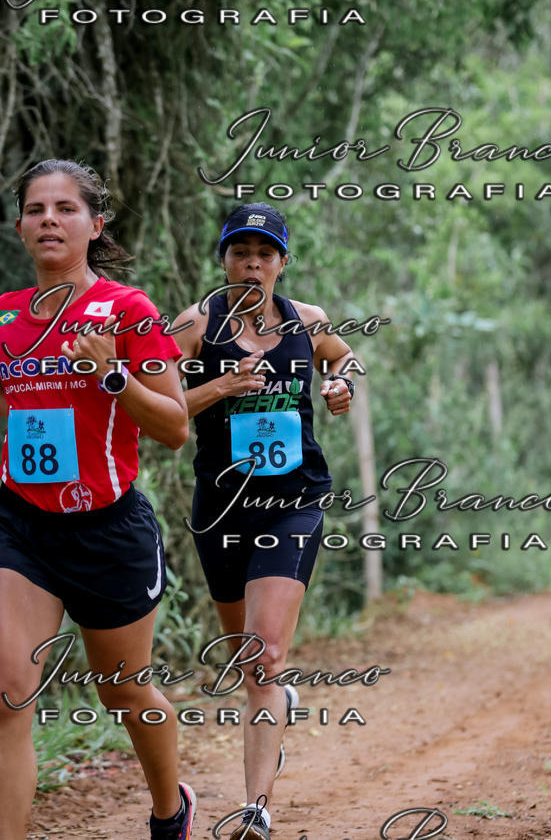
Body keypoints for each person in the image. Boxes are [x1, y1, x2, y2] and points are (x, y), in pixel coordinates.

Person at [0, 159, 196, 840]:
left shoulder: (129, 311)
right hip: (21, 525)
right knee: (9, 693)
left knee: (122, 689)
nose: (49, 220)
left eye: (65, 208)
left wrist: (111, 374)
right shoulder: (4, 317)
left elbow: (175, 426)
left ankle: (171, 811)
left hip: (107, 529)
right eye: (36, 209)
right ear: (20, 227)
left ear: (94, 224)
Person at [174, 202, 354, 840]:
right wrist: (221, 388)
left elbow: (343, 356)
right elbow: (160, 407)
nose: (252, 264)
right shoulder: (195, 325)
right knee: (245, 661)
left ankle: (255, 809)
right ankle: (278, 699)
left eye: (265, 254)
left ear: (282, 262)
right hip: (221, 507)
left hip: (293, 502)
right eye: (240, 252)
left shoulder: (308, 320)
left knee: (264, 655)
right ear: (224, 259)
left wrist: (340, 386)